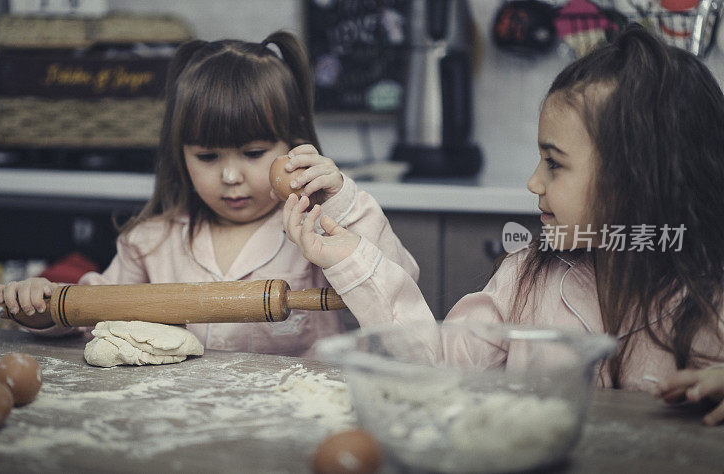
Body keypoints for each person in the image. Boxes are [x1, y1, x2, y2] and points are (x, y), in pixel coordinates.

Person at [283, 24, 724, 421]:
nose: (534, 182)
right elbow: (434, 371)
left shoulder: (711, 300)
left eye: (554, 164)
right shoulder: (523, 279)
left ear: (639, 176)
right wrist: (355, 262)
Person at [0, 31, 418, 357]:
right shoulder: (152, 243)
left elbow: (397, 286)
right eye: (208, 156)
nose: (231, 176)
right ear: (180, 156)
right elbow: (95, 314)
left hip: (296, 421)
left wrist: (342, 202)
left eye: (253, 153)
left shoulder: (317, 233)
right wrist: (44, 309)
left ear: (293, 146)